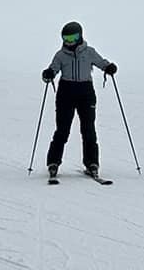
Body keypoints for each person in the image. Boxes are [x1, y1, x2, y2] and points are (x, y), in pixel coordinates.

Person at [41, 20, 116, 177]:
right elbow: (53, 70)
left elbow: (101, 63)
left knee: (88, 129)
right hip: (66, 93)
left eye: (73, 38)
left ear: (80, 36)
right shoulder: (60, 55)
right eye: (66, 39)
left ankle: (92, 163)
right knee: (62, 130)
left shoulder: (89, 52)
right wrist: (48, 74)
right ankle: (53, 162)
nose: (69, 42)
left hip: (85, 92)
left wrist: (109, 68)